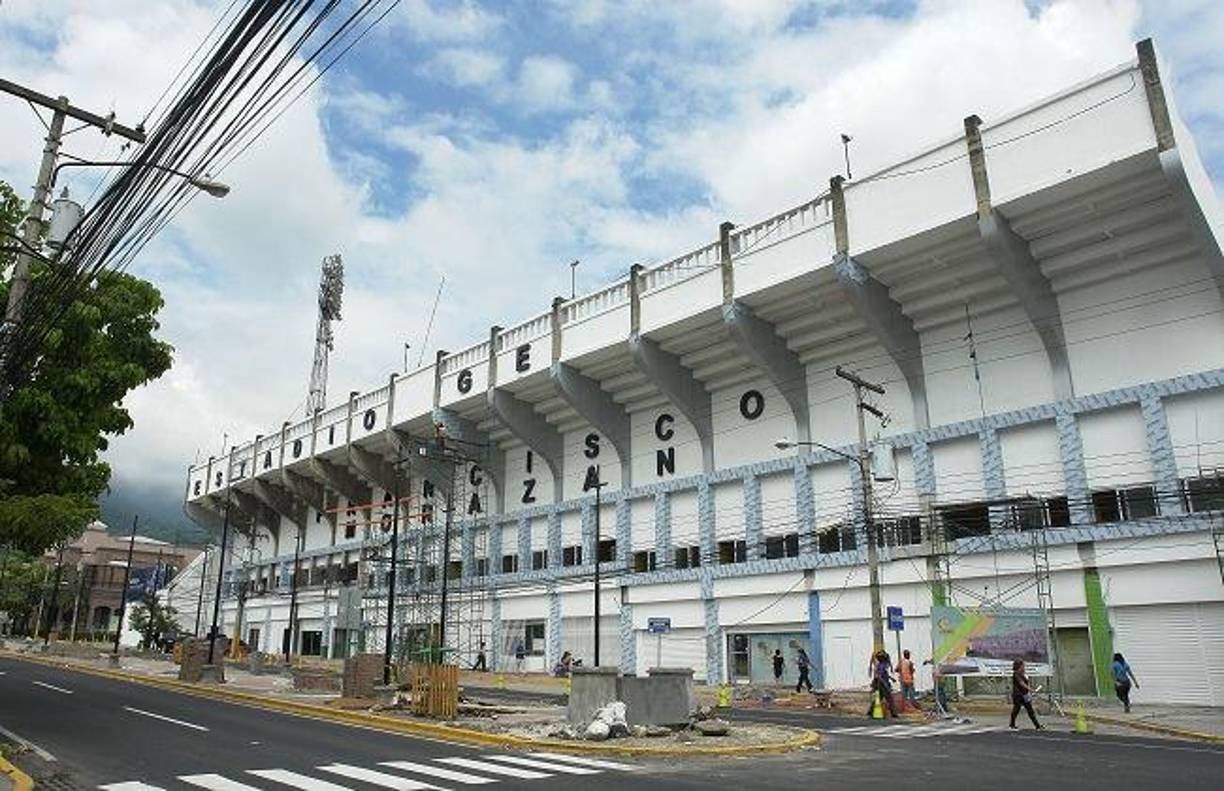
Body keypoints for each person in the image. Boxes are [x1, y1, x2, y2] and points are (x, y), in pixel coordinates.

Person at [1009, 659, 1043, 730]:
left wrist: (1029, 690)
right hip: (1018, 695)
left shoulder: (1023, 674)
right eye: (1023, 665)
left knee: (1030, 710)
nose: (1024, 667)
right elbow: (1021, 683)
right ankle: (1012, 724)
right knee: (1016, 709)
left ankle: (1037, 725)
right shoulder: (1016, 674)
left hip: (1025, 694)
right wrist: (1030, 689)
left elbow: (1026, 682)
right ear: (1019, 666)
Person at [866, 650, 898, 718]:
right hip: (882, 685)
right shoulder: (882, 665)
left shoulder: (880, 665)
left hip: (881, 684)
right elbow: (879, 676)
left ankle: (870, 711)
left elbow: (884, 674)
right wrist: (885, 684)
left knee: (879, 698)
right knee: (890, 699)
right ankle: (894, 713)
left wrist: (891, 678)